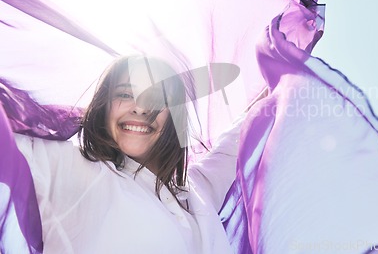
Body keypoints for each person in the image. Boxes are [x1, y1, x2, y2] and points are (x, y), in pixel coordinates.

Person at [14, 55, 255, 254]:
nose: (140, 107)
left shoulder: (197, 192)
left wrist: (285, 69)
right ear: (104, 106)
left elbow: (241, 135)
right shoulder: (74, 167)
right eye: (125, 94)